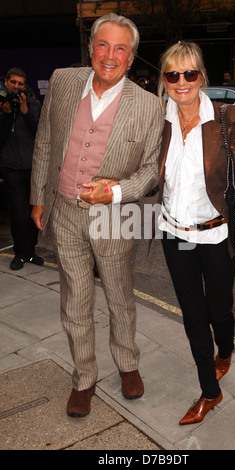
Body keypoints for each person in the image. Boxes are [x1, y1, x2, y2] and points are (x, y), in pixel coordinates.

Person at [30, 13, 164, 418]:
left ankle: (128, 364)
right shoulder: (63, 81)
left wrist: (116, 191)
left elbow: (150, 172)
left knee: (121, 298)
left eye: (120, 48)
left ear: (132, 56)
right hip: (66, 212)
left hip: (114, 216)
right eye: (103, 45)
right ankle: (84, 377)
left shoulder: (149, 106)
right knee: (75, 300)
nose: (110, 55)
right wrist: (38, 195)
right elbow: (47, 139)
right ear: (90, 49)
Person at [157, 41, 235, 424]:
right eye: (172, 74)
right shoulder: (161, 118)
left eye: (190, 73)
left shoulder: (224, 116)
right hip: (174, 234)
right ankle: (209, 391)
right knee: (193, 316)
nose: (181, 82)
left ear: (201, 75)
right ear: (164, 78)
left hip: (217, 235)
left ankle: (226, 349)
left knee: (219, 311)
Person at [0, 68, 43, 270]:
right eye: (13, 83)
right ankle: (19, 253)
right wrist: (6, 115)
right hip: (12, 168)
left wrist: (25, 112)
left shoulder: (32, 103)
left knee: (35, 211)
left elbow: (42, 132)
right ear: (6, 82)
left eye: (21, 84)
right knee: (18, 213)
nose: (17, 87)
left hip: (34, 167)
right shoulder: (2, 106)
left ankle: (31, 252)